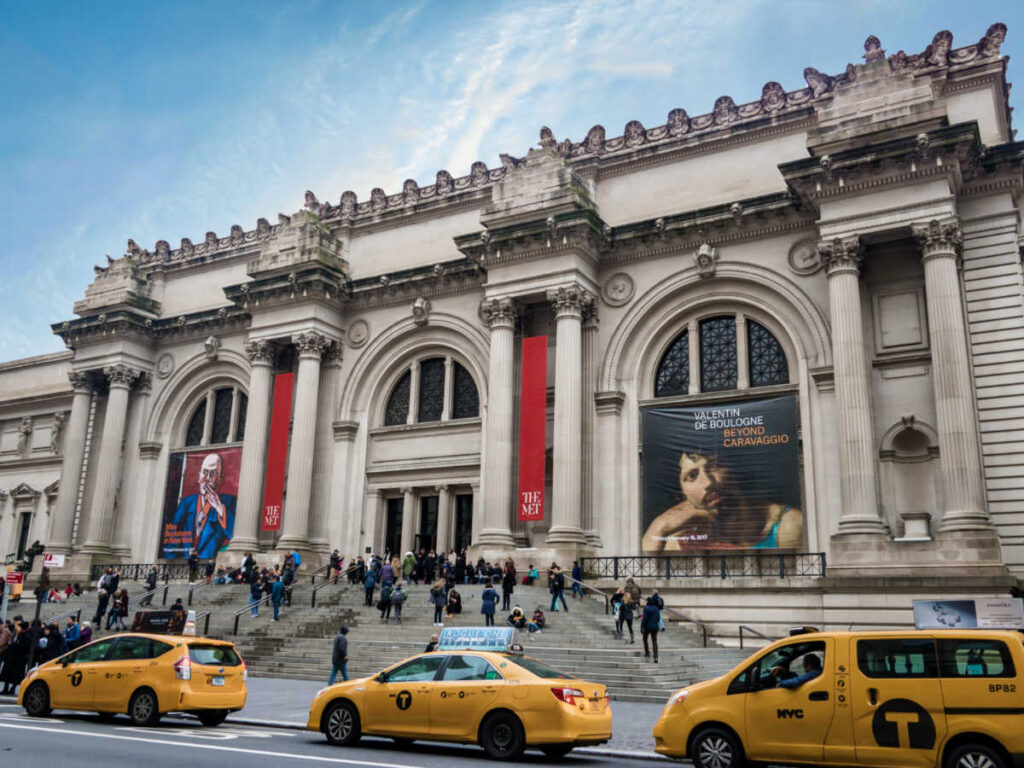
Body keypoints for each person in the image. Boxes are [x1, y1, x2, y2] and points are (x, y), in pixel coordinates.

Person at [642, 450, 803, 552]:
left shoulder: (789, 525)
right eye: (692, 476)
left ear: (732, 470)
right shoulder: (676, 541)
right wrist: (657, 529)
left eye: (714, 466)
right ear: (681, 495)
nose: (709, 483)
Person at [164, 452, 237, 559]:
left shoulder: (230, 502)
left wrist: (219, 508)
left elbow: (235, 536)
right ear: (199, 476)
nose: (207, 478)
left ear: (221, 478)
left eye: (213, 474)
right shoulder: (187, 503)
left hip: (210, 567)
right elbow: (173, 538)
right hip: (184, 568)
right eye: (205, 472)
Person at [0, 622, 29, 695]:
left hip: (18, 659)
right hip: (10, 658)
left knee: (16, 675)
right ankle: (5, 688)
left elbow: (23, 647)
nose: (17, 628)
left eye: (19, 627)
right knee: (7, 674)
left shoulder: (25, 637)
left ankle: (12, 689)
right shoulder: (15, 634)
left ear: (23, 629)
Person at [641, 597, 662, 663]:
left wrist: (642, 626)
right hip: (655, 627)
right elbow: (658, 618)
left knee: (645, 639)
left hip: (647, 626)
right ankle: (655, 656)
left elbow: (644, 618)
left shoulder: (646, 608)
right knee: (654, 641)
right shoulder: (656, 608)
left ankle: (647, 652)